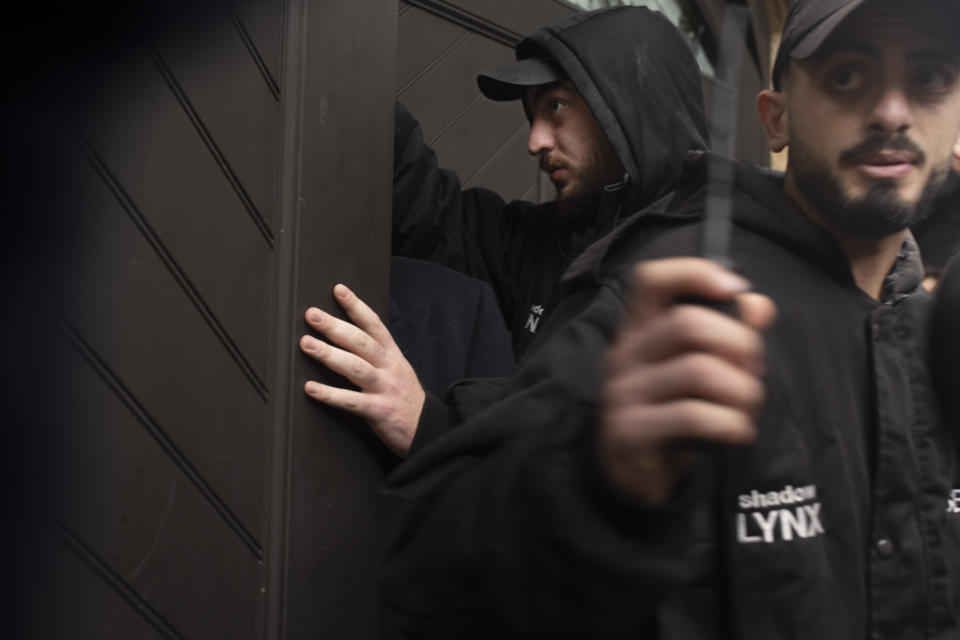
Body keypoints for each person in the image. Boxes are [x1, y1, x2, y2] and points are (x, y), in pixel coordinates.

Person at [377, 0, 960, 637]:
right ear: (777, 117)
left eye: (930, 77)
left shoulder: (937, 337)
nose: (893, 113)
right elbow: (442, 571)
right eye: (848, 76)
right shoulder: (667, 299)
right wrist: (604, 484)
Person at [299, 6, 710, 456]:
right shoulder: (552, 240)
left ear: (629, 106)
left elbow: (596, 434)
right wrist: (352, 65)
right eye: (533, 116)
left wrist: (429, 421)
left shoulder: (708, 263)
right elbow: (437, 219)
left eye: (556, 107)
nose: (536, 141)